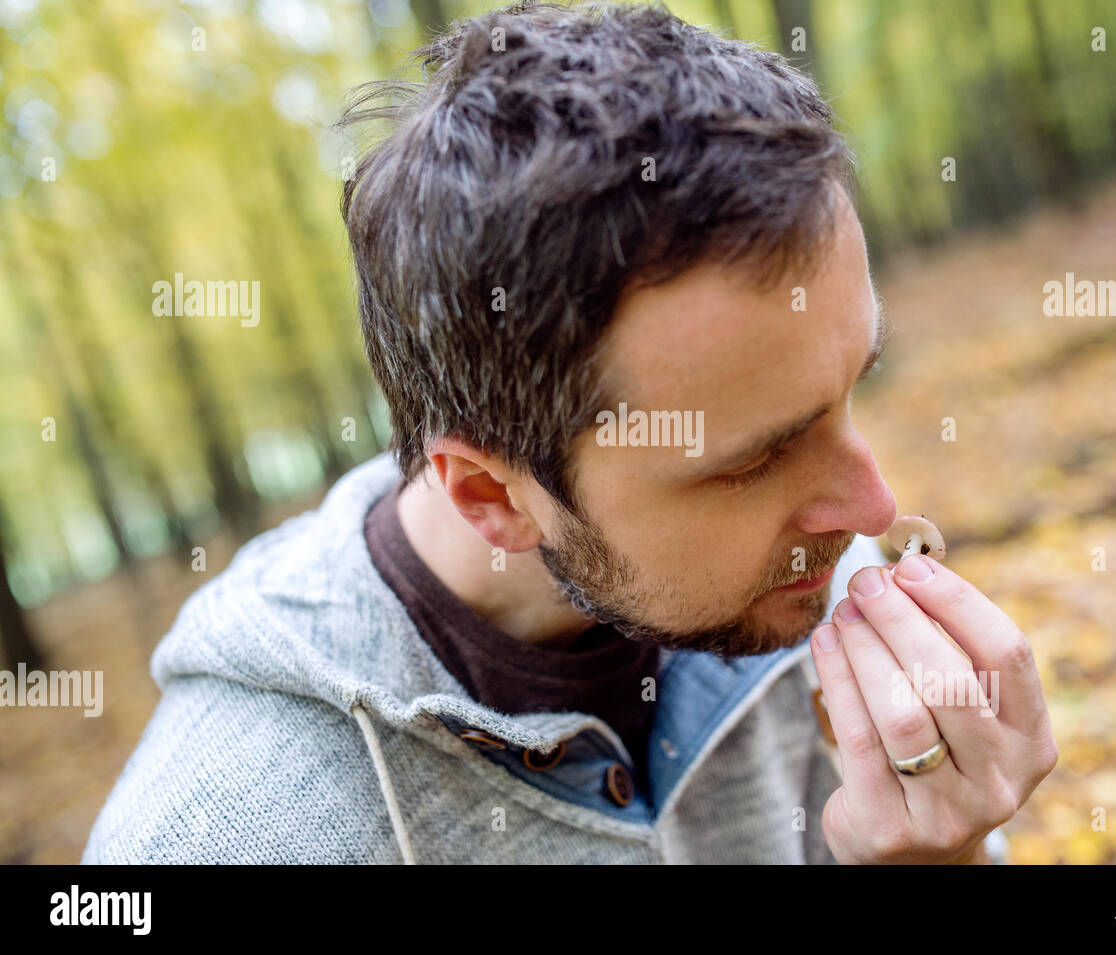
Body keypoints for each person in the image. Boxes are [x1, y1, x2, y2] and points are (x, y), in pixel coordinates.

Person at [82, 0, 1055, 864]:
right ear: (491, 495)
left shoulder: (796, 591)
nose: (872, 507)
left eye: (853, 387)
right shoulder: (219, 832)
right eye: (755, 459)